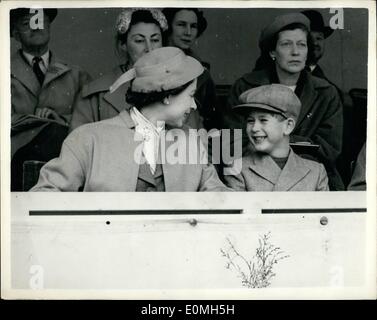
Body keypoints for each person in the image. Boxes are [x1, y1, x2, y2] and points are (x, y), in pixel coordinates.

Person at [31, 47, 229, 192]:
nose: (194, 105)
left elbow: (218, 197)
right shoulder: (88, 139)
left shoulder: (192, 143)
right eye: (190, 95)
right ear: (167, 95)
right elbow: (43, 196)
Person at [225, 12, 344, 190]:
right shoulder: (246, 86)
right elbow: (231, 142)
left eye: (302, 45)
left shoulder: (326, 93)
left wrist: (273, 141)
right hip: (253, 176)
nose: (295, 52)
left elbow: (329, 150)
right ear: (273, 51)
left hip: (312, 180)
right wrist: (293, 141)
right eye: (286, 44)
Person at [10, 8, 91, 191]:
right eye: (26, 23)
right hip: (14, 163)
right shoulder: (4, 72)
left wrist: (60, 120)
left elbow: (90, 121)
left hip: (66, 164)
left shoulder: (77, 75)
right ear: (15, 34)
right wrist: (40, 123)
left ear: (49, 27)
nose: (36, 27)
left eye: (40, 21)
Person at [69, 8, 167, 131]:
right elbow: (78, 146)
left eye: (155, 40)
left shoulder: (180, 89)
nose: (149, 48)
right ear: (123, 45)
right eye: (139, 41)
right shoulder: (96, 96)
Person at [224, 84, 329, 191]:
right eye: (250, 121)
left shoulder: (316, 172)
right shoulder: (237, 169)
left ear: (288, 126)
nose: (254, 128)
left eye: (263, 120)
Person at [162, 8, 218, 130]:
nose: (188, 32)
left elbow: (211, 117)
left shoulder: (202, 73)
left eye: (193, 26)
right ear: (168, 27)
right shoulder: (153, 64)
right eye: (181, 25)